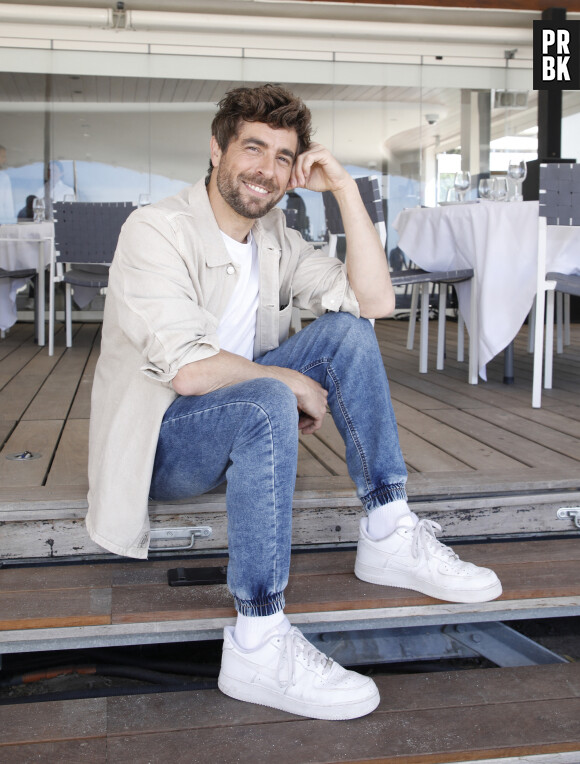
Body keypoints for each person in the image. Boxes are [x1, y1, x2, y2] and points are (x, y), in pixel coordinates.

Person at [87, 85, 501, 721]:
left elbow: (373, 303)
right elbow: (192, 370)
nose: (267, 168)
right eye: (254, 147)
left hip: (241, 410)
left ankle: (389, 529)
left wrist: (343, 188)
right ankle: (257, 641)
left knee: (347, 335)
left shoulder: (274, 236)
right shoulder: (155, 228)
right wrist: (292, 384)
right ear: (217, 148)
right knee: (264, 402)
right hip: (165, 443)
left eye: (284, 157)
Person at [0, 144, 15, 223]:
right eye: (2, 156)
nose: (5, 160)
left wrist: (10, 222)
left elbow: (8, 203)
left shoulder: (4, 178)